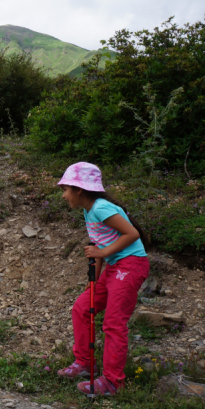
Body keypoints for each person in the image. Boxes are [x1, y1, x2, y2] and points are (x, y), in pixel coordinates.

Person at [55, 162, 149, 396]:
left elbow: (132, 234)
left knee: (113, 322)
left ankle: (112, 382)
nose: (64, 195)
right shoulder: (89, 210)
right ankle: (85, 364)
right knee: (81, 307)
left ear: (78, 189)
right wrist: (94, 279)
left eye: (65, 189)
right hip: (115, 266)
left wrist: (102, 254)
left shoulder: (101, 208)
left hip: (130, 265)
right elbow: (98, 244)